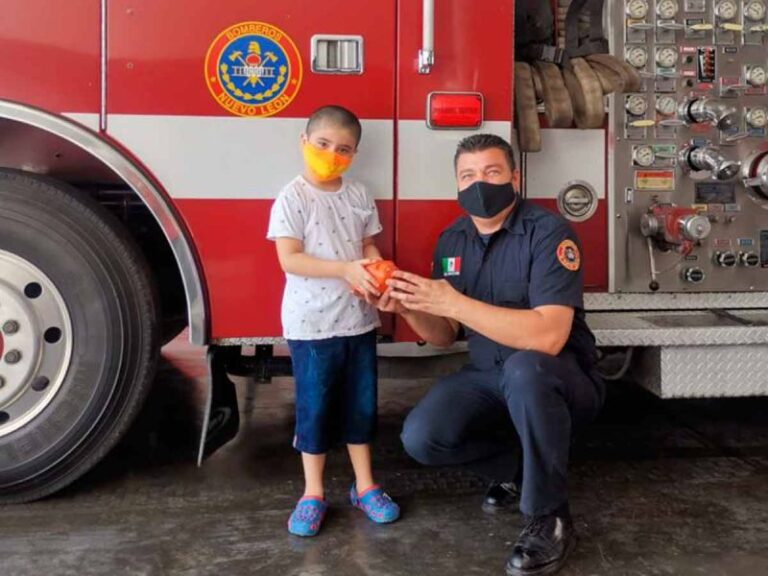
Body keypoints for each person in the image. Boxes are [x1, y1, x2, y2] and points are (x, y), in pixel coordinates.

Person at [380, 134, 604, 575]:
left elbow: (549, 337)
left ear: (514, 178)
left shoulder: (548, 233)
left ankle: (549, 515)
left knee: (526, 369)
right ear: (457, 185)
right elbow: (444, 335)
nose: (479, 183)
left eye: (492, 172)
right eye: (468, 175)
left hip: (559, 377)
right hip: (488, 375)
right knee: (421, 437)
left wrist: (453, 303)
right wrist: (409, 306)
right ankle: (519, 468)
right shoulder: (452, 242)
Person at [266, 105, 400, 537]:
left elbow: (368, 246)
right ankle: (313, 493)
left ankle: (365, 486)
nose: (331, 154)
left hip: (358, 321)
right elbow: (290, 259)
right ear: (303, 143)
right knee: (316, 409)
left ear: (354, 155)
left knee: (361, 406)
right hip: (311, 326)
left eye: (343, 149)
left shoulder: (359, 194)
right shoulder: (292, 197)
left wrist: (378, 271)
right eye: (323, 144)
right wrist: (345, 270)